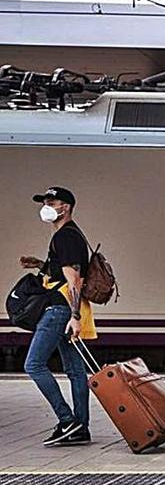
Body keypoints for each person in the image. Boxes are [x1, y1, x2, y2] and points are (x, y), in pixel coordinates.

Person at [20, 187, 97, 447]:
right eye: (44, 201)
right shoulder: (71, 235)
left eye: (51, 202)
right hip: (66, 308)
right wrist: (40, 265)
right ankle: (80, 428)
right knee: (75, 370)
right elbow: (62, 273)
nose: (45, 206)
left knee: (33, 365)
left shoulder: (65, 236)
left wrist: (74, 316)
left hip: (60, 309)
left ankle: (67, 420)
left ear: (65, 207)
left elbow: (74, 280)